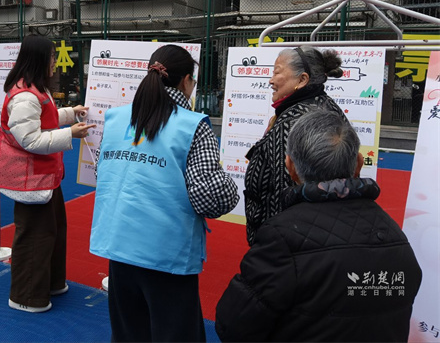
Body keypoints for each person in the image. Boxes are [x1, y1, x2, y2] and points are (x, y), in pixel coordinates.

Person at [216, 111, 422, 342]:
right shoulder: (396, 236)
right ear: (358, 164)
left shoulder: (281, 238)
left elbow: (233, 324)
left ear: (290, 166)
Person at [90, 44, 239, 342]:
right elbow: (210, 199)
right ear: (186, 81)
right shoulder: (192, 125)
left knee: (129, 334)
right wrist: (228, 184)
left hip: (118, 246)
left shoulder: (117, 118)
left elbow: (101, 173)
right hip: (165, 255)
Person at [0, 35, 95, 313]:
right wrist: (69, 134)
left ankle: (49, 283)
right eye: (52, 57)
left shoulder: (36, 90)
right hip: (30, 179)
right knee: (35, 237)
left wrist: (70, 113)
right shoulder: (25, 96)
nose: (55, 63)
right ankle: (26, 296)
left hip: (44, 177)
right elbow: (30, 140)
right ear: (39, 59)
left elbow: (45, 117)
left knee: (51, 231)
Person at [244, 46, 346, 245]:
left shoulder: (293, 124)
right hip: (325, 234)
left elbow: (284, 194)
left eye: (277, 72)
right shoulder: (327, 106)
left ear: (302, 80)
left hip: (287, 241)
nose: (271, 80)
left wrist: (274, 245)